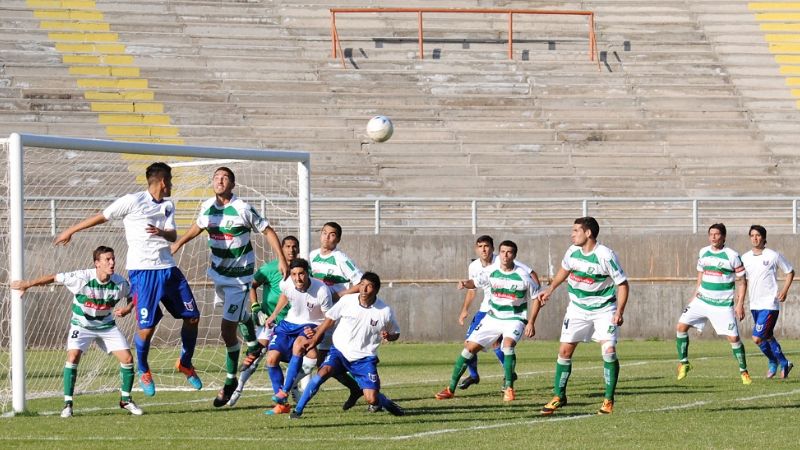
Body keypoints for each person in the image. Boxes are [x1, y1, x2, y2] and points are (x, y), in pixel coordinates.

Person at [54, 162, 202, 397]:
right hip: (143, 272)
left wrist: (162, 233)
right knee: (147, 328)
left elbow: (173, 234)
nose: (172, 185)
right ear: (163, 181)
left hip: (168, 268)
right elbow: (102, 216)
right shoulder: (132, 200)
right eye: (170, 180)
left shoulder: (167, 205)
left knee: (192, 317)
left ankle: (185, 362)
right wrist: (71, 230)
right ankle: (143, 368)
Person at [170, 166, 288, 407]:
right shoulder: (207, 207)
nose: (220, 181)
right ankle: (254, 345)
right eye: (216, 177)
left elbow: (268, 230)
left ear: (232, 184)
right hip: (218, 275)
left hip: (240, 279)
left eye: (225, 178)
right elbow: (198, 226)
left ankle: (230, 380)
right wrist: (179, 242)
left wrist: (282, 260)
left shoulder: (242, 208)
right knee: (238, 316)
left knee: (226, 330)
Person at [11, 246, 143, 417]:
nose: (112, 262)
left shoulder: (120, 282)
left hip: (106, 326)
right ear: (97, 263)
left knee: (127, 358)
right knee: (73, 356)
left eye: (113, 259)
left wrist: (128, 308)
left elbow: (133, 294)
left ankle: (125, 400)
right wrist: (27, 284)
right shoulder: (82, 277)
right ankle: (67, 404)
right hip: (81, 325)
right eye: (107, 259)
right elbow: (55, 277)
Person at [538, 217, 629, 416]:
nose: (572, 234)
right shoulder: (572, 251)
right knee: (564, 352)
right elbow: (565, 269)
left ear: (588, 233)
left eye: (576, 230)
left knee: (609, 350)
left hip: (604, 310)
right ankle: (559, 396)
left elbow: (622, 284)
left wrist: (619, 311)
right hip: (577, 309)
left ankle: (608, 399)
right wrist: (551, 288)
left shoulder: (605, 255)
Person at [436, 240, 540, 402]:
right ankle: (450, 389)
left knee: (507, 345)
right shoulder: (491, 271)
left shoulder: (523, 276)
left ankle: (509, 387)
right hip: (492, 317)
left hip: (514, 318)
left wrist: (531, 322)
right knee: (468, 348)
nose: (505, 255)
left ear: (514, 255)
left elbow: (536, 299)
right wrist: (465, 283)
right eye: (503, 252)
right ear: (500, 253)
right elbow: (475, 283)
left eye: (509, 252)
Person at [290, 272, 403, 418]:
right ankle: (297, 411)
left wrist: (390, 336)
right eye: (362, 285)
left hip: (364, 358)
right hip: (340, 351)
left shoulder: (384, 311)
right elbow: (330, 319)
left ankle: (386, 403)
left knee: (371, 398)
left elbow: (396, 332)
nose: (364, 289)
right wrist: (315, 338)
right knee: (322, 373)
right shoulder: (347, 301)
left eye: (369, 286)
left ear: (376, 290)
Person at [227, 235, 300, 406]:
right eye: (287, 246)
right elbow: (251, 285)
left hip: (293, 324)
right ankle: (237, 389)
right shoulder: (270, 268)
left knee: (296, 357)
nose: (291, 250)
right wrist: (255, 307)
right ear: (281, 249)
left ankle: (293, 389)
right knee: (256, 355)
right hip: (271, 322)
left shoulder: (302, 269)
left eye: (294, 246)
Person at [676, 223, 751, 385]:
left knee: (734, 338)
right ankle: (683, 363)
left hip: (722, 305)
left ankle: (743, 371)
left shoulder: (732, 255)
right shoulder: (703, 252)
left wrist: (739, 304)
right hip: (702, 299)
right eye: (711, 234)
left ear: (724, 236)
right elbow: (700, 273)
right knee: (681, 327)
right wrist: (695, 294)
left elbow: (742, 282)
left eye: (717, 234)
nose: (713, 237)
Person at [263, 258, 332, 415]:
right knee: (271, 359)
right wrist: (274, 314)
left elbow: (329, 318)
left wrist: (317, 331)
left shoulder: (321, 290)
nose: (297, 278)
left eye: (301, 274)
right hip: (289, 323)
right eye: (294, 274)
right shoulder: (287, 283)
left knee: (299, 346)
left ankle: (285, 390)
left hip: (312, 325)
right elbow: (286, 295)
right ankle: (282, 405)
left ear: (307, 273)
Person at [307, 222, 365, 404]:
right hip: (318, 313)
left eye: (332, 235)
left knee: (331, 360)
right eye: (324, 233)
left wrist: (341, 294)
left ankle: (369, 390)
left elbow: (361, 282)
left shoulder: (340, 258)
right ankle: (357, 388)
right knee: (323, 361)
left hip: (334, 316)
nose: (327, 237)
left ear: (337, 239)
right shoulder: (313, 256)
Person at [741, 225, 794, 378]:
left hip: (770, 304)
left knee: (757, 338)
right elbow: (742, 280)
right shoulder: (745, 258)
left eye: (758, 235)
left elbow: (790, 271)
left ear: (764, 238)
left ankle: (774, 361)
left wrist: (784, 291)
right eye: (752, 235)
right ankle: (784, 363)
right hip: (755, 304)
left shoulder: (773, 255)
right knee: (768, 336)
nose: (755, 238)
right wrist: (740, 300)